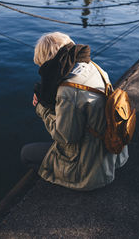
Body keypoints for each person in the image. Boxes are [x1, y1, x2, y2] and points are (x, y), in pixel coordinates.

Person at [21, 32, 128, 191]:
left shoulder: (68, 91)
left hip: (90, 169)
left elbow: (67, 137)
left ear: (48, 61)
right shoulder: (93, 67)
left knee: (26, 153)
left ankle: (56, 187)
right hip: (114, 154)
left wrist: (41, 109)